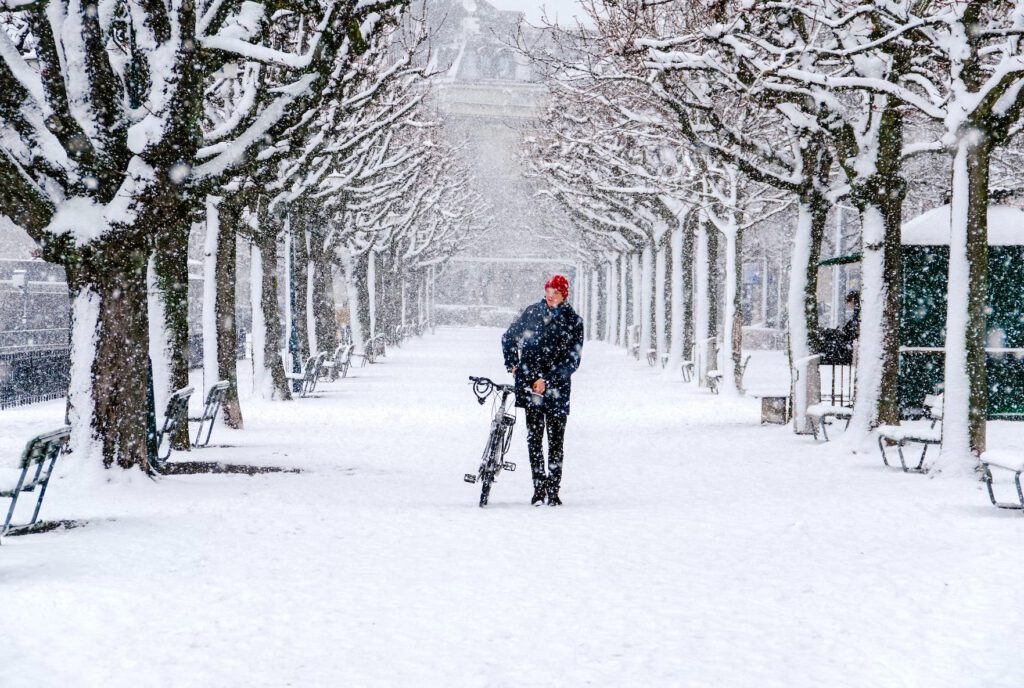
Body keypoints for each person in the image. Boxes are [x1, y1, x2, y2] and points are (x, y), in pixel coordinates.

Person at [501, 275, 584, 506]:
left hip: (557, 389)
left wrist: (547, 380)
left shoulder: (573, 321)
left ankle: (553, 490)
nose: (550, 296)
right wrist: (513, 364)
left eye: (556, 292)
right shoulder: (531, 313)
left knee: (556, 441)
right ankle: (538, 488)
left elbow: (572, 360)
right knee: (534, 439)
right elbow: (508, 337)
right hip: (531, 387)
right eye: (548, 291)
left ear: (564, 295)